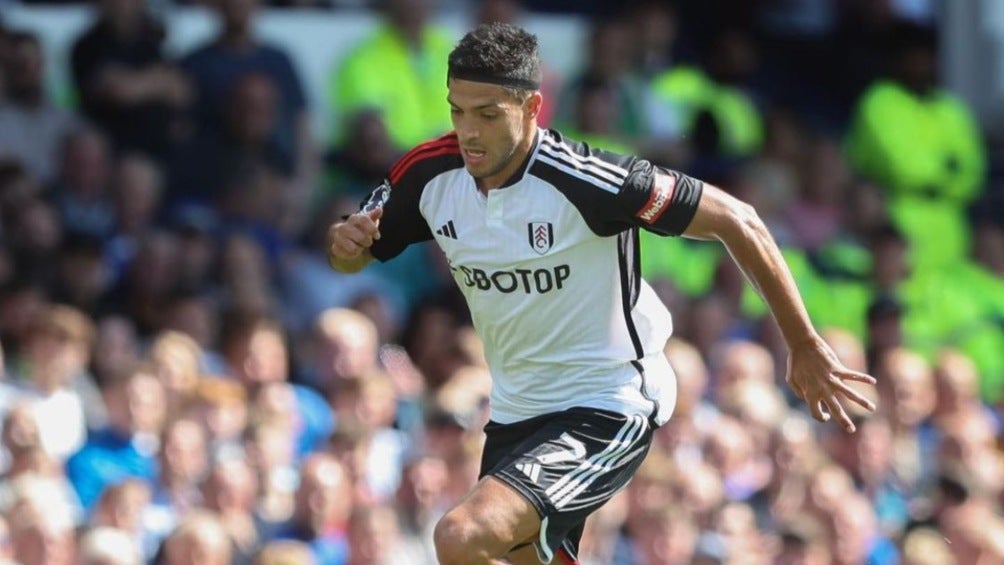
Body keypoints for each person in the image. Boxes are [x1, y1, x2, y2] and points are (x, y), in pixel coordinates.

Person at [327, 23, 877, 565]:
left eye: (488, 114)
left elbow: (740, 219)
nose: (468, 132)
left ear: (532, 107)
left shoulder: (588, 179)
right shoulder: (429, 175)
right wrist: (345, 245)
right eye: (458, 110)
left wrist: (802, 343)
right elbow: (351, 255)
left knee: (462, 535)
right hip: (517, 408)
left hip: (608, 399)